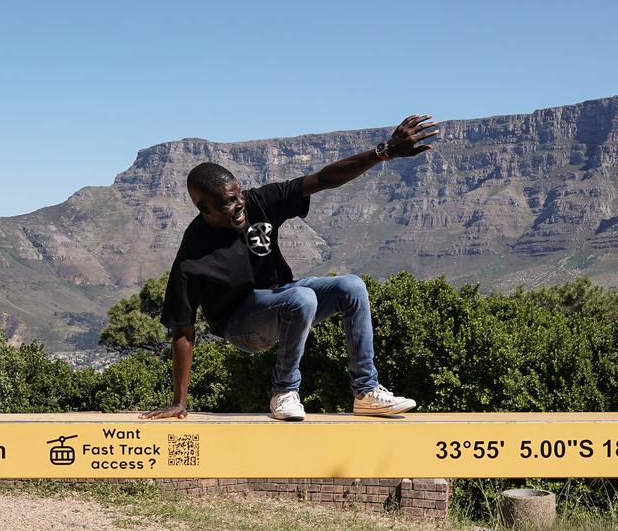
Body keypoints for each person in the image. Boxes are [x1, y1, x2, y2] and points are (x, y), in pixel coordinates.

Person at [141, 115, 439, 421]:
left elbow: (322, 180)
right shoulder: (192, 255)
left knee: (352, 287)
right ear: (204, 208)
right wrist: (179, 401)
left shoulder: (259, 202)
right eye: (229, 202)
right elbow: (184, 331)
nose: (241, 204)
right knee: (301, 297)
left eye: (239, 194)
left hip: (281, 300)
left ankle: (366, 391)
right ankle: (284, 392)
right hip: (241, 327)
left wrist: (384, 152)